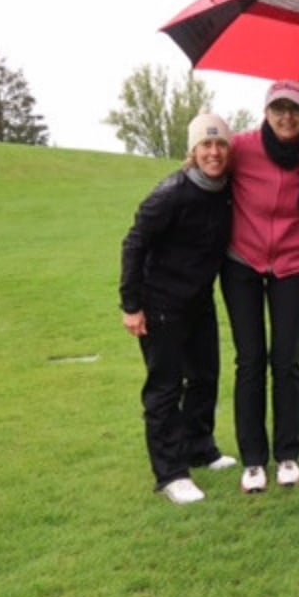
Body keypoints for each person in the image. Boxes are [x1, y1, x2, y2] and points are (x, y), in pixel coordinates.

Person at [120, 113, 238, 505]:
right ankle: (170, 472)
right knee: (165, 388)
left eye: (220, 144)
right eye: (206, 145)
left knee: (205, 378)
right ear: (193, 150)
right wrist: (131, 305)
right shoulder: (171, 193)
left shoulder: (225, 191)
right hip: (160, 303)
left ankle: (200, 448)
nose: (214, 152)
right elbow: (134, 243)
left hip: (198, 300)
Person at [219, 80, 299, 494]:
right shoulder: (241, 147)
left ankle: (287, 453)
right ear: (266, 111)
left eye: (294, 109)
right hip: (242, 262)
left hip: (291, 264)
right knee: (251, 359)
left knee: (287, 359)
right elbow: (205, 162)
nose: (286, 117)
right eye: (279, 109)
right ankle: (254, 459)